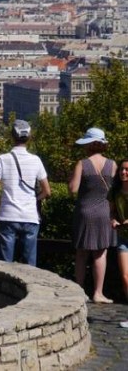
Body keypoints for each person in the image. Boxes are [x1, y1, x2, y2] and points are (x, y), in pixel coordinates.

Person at [0, 120, 51, 267]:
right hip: (30, 216)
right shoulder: (36, 160)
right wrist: (35, 199)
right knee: (29, 265)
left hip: (8, 215)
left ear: (12, 136)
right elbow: (47, 191)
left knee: (5, 265)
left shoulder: (2, 159)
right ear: (29, 138)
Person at [69, 127, 117, 303]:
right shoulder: (113, 165)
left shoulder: (82, 164)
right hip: (104, 212)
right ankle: (98, 292)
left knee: (81, 253)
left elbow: (73, 189)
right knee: (100, 253)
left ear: (89, 144)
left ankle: (79, 290)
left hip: (85, 211)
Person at [107, 159, 128, 311]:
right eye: (121, 169)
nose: (123, 172)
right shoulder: (114, 191)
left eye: (127, 169)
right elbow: (112, 212)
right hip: (123, 237)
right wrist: (113, 220)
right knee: (125, 277)